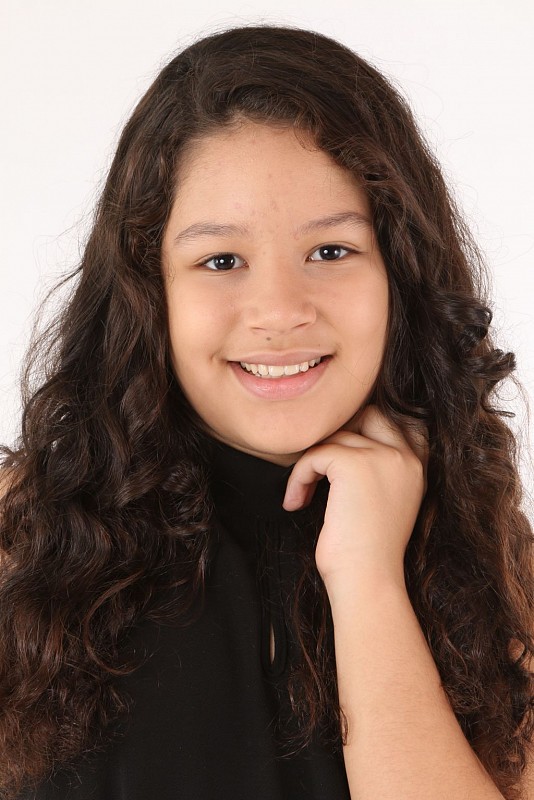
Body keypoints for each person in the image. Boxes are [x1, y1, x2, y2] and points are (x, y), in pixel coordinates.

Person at [0, 23, 532, 800]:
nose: (280, 311)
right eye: (221, 260)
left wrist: (367, 580)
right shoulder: (23, 538)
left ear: (400, 271)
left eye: (331, 251)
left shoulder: (494, 565)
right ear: (149, 291)